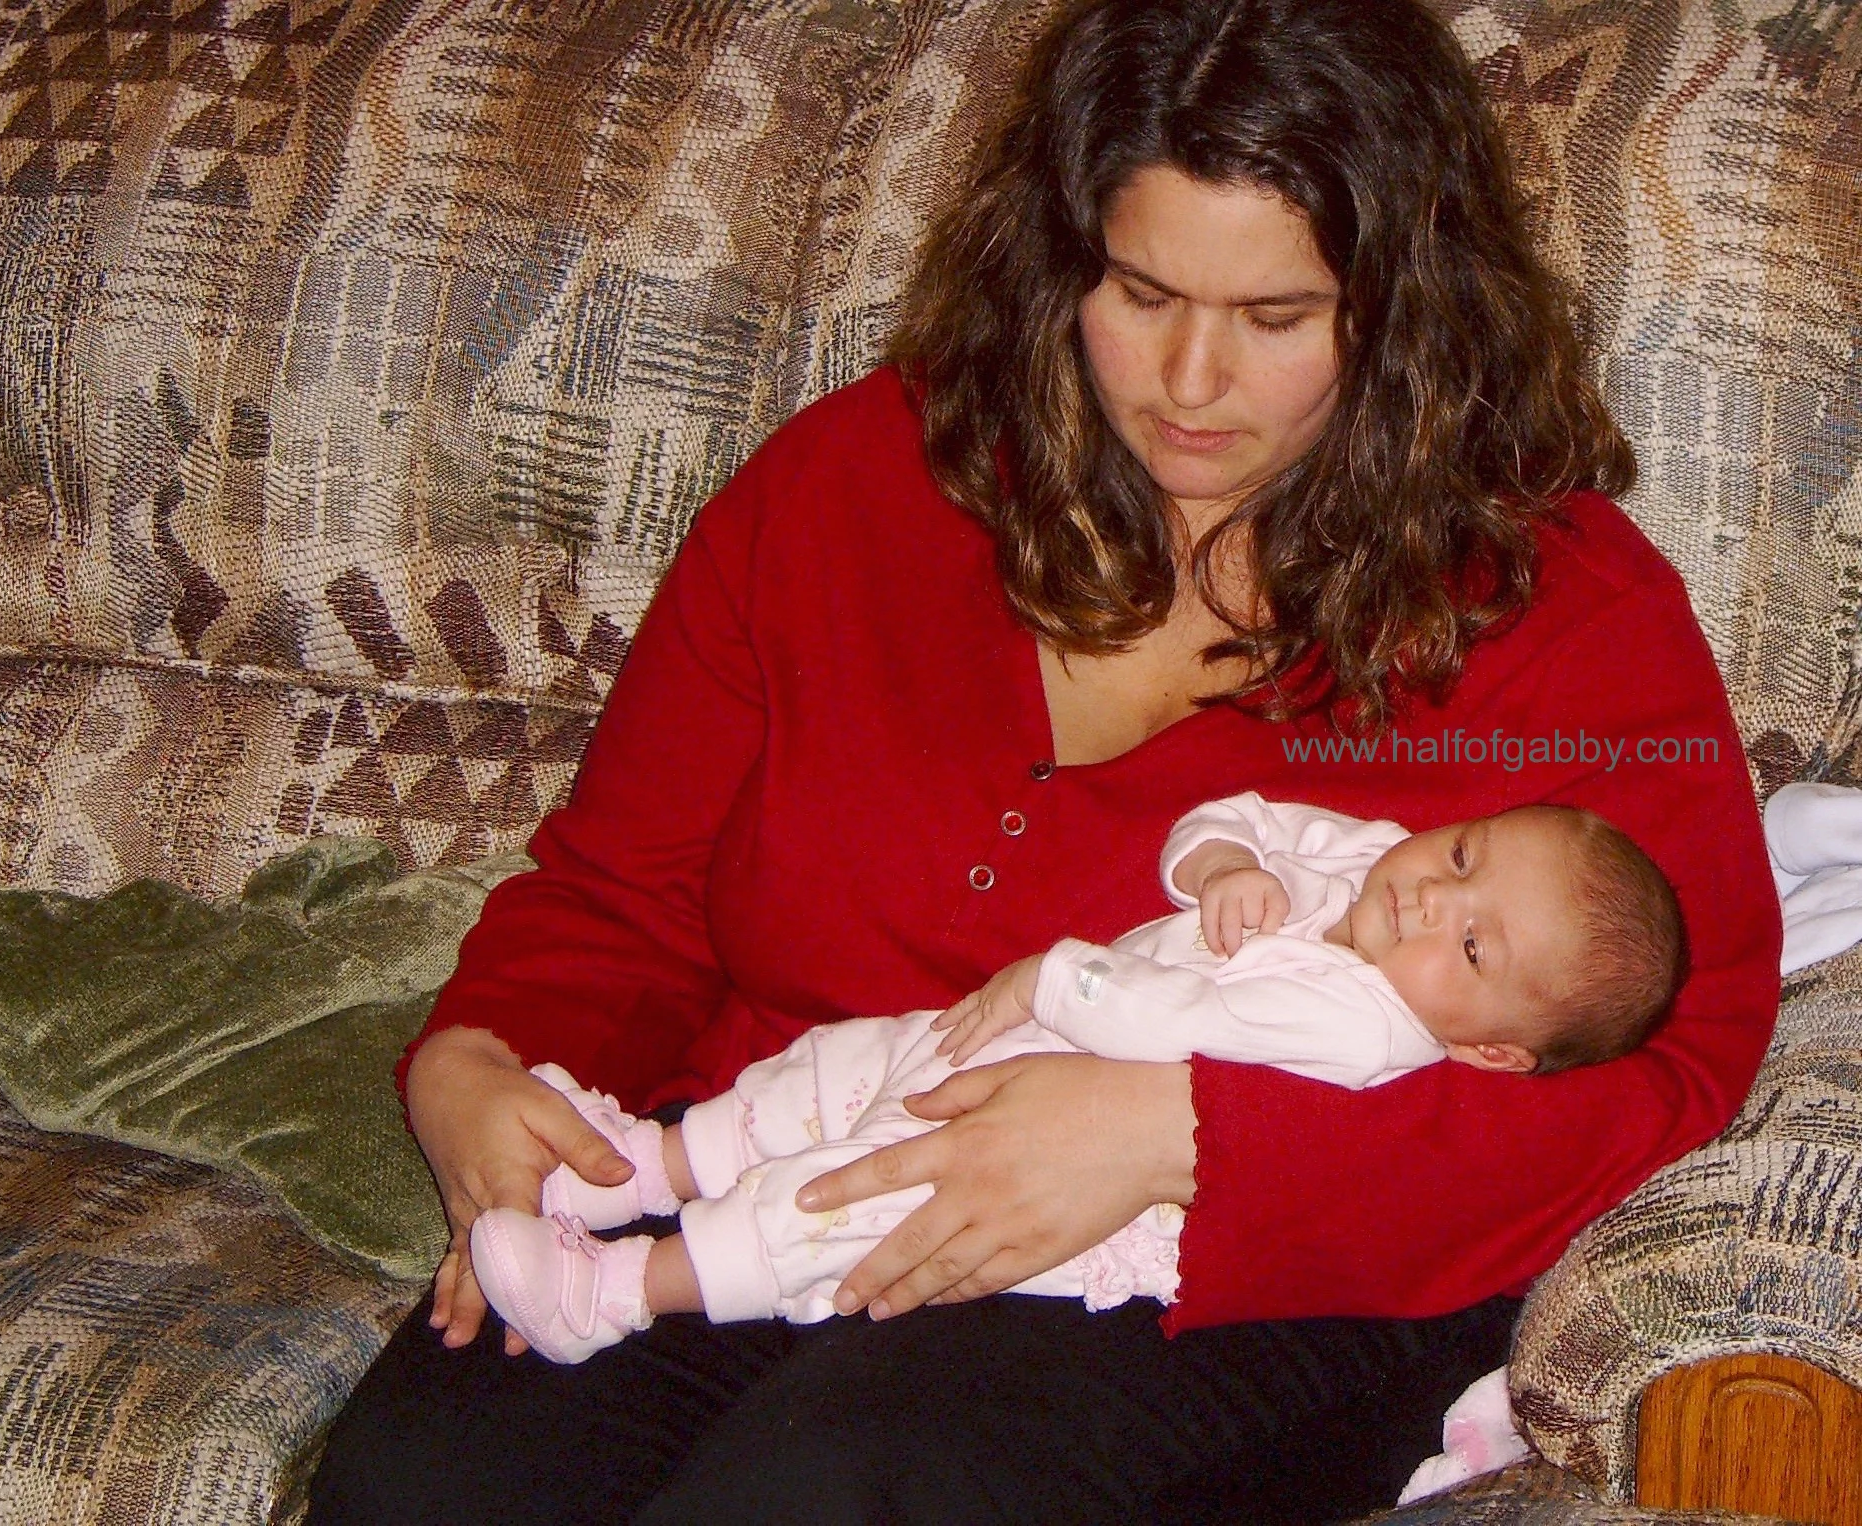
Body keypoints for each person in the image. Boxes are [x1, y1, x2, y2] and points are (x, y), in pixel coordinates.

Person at [307, 0, 1780, 1520]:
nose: (1190, 381)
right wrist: (477, 1059)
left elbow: (1676, 1067)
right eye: (1140, 292)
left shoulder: (1564, 615)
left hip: (1202, 1264)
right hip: (788, 1142)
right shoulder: (855, 483)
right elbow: (623, 888)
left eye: (1277, 317)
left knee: (822, 1492)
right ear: (1059, 257)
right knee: (423, 1485)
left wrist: (1189, 1132)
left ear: (1405, 310)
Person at [467, 794, 1687, 1363]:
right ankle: (635, 1167)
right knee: (838, 1065)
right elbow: (1235, 815)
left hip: (1066, 1159)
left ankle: (619, 1291)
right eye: (1464, 853)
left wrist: (1049, 977)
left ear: (1486, 1048)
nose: (1429, 896)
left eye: (1472, 946)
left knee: (853, 1199)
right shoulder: (1371, 862)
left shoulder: (1362, 1025)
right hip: (1024, 1038)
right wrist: (1224, 862)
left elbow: (1182, 1013)